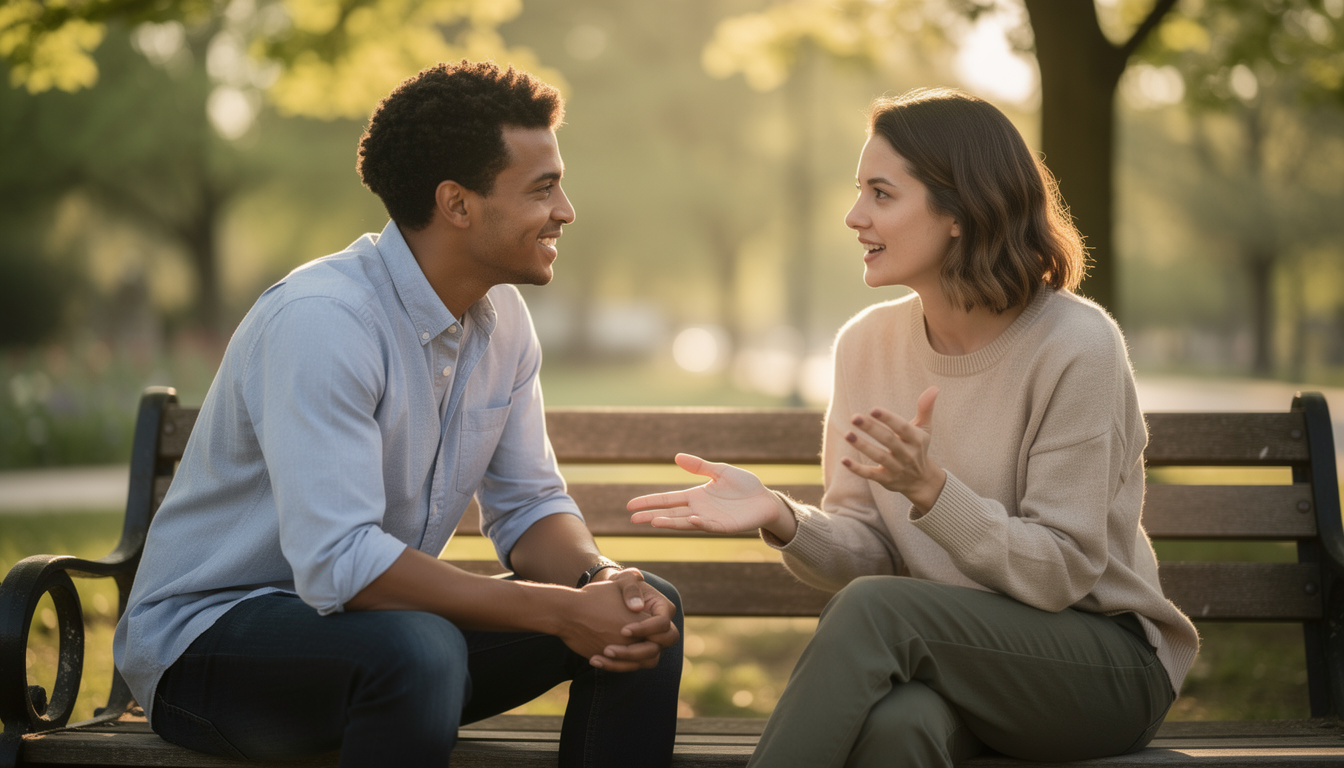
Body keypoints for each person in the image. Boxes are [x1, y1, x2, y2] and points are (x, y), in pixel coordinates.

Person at [114, 60, 683, 768]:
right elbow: (340, 565)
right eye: (543, 189)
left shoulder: (503, 320)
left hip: (379, 639)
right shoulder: (323, 322)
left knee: (643, 612)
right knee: (419, 647)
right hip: (211, 650)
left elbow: (531, 505)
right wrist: (561, 613)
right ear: (458, 203)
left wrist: (597, 584)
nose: (566, 210)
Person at [629, 87, 1198, 767]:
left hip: (1102, 664)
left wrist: (932, 492)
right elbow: (866, 549)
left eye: (880, 193)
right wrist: (782, 517)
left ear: (960, 211)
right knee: (900, 727)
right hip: (950, 661)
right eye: (858, 192)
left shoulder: (1077, 344)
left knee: (877, 611)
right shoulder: (865, 345)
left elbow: (1061, 573)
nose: (853, 216)